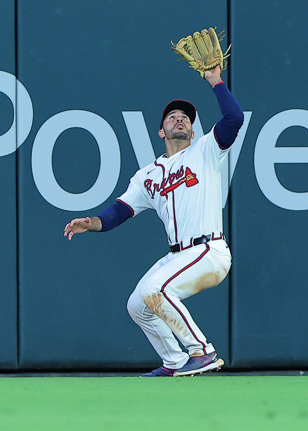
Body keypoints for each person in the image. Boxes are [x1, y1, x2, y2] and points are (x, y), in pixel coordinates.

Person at [64, 64, 244, 377]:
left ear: (191, 130)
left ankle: (202, 351)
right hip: (179, 254)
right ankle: (174, 361)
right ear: (161, 131)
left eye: (186, 117)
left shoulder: (206, 152)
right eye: (173, 116)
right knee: (137, 304)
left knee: (153, 289)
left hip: (209, 250)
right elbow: (120, 211)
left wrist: (215, 81)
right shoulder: (147, 175)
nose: (180, 119)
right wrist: (91, 222)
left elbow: (234, 119)